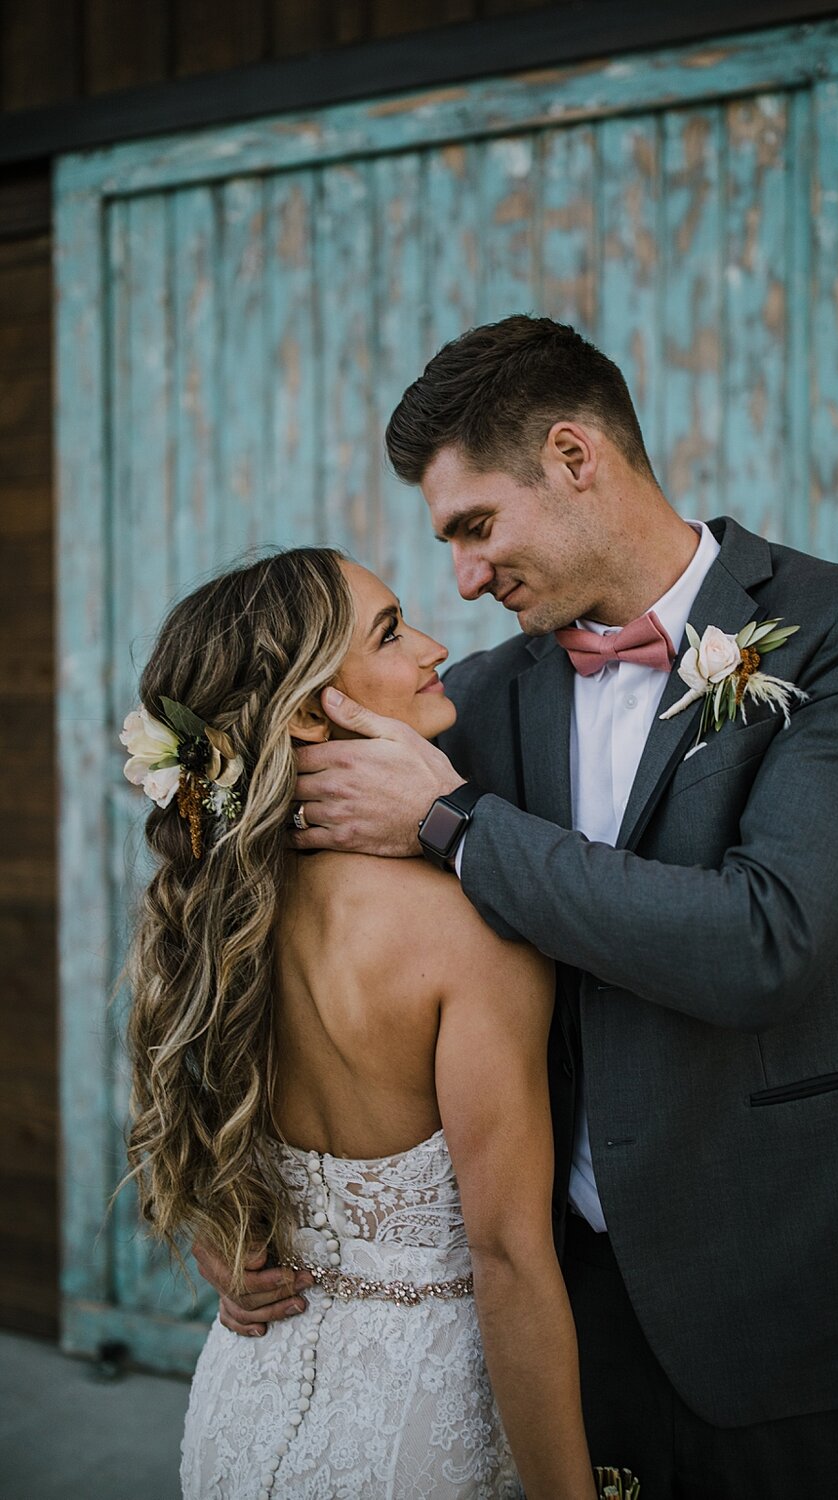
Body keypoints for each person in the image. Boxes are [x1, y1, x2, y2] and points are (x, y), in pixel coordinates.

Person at [199, 317, 838, 1499]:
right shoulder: (463, 699)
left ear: (573, 457)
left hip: (798, 1299)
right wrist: (231, 1199)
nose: (462, 578)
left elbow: (765, 940)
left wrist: (456, 825)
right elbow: (251, 912)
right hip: (563, 1320)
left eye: (474, 527)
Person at [120, 546, 597, 1500]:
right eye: (389, 633)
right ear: (306, 710)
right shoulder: (469, 930)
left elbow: (192, 1143)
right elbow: (508, 1258)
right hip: (420, 1433)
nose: (431, 647)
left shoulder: (212, 917)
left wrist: (222, 1250)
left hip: (244, 1408)